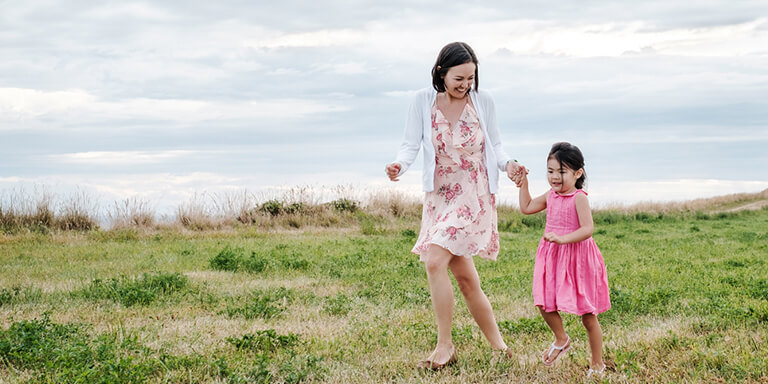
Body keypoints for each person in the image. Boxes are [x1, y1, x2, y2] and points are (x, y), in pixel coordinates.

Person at [385, 41, 525, 370]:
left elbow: (497, 145)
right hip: (439, 195)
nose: (465, 85)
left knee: (434, 260)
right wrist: (399, 166)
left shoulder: (483, 102)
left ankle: (444, 347)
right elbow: (410, 144)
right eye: (458, 79)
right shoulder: (422, 102)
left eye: (471, 79)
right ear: (440, 73)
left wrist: (510, 166)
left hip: (473, 194)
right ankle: (501, 348)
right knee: (465, 278)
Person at [517, 142, 611, 377]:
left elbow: (588, 229)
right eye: (550, 171)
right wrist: (523, 183)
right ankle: (561, 339)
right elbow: (526, 207)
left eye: (561, 172)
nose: (555, 177)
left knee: (588, 316)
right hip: (553, 256)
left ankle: (597, 364)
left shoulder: (579, 198)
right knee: (543, 303)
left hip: (578, 259)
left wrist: (563, 239)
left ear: (577, 173)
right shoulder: (550, 196)